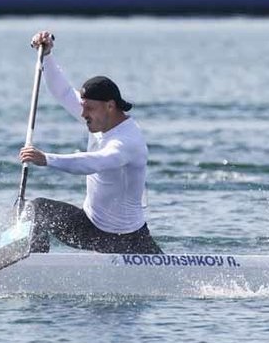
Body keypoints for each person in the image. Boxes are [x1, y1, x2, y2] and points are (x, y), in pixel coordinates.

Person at [17, 30, 163, 254]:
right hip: (90, 226)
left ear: (110, 106)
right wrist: (47, 56)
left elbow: (94, 162)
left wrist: (47, 159)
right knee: (36, 210)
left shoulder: (127, 141)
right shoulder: (98, 117)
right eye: (83, 107)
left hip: (126, 240)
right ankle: (31, 266)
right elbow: (64, 92)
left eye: (89, 109)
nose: (83, 114)